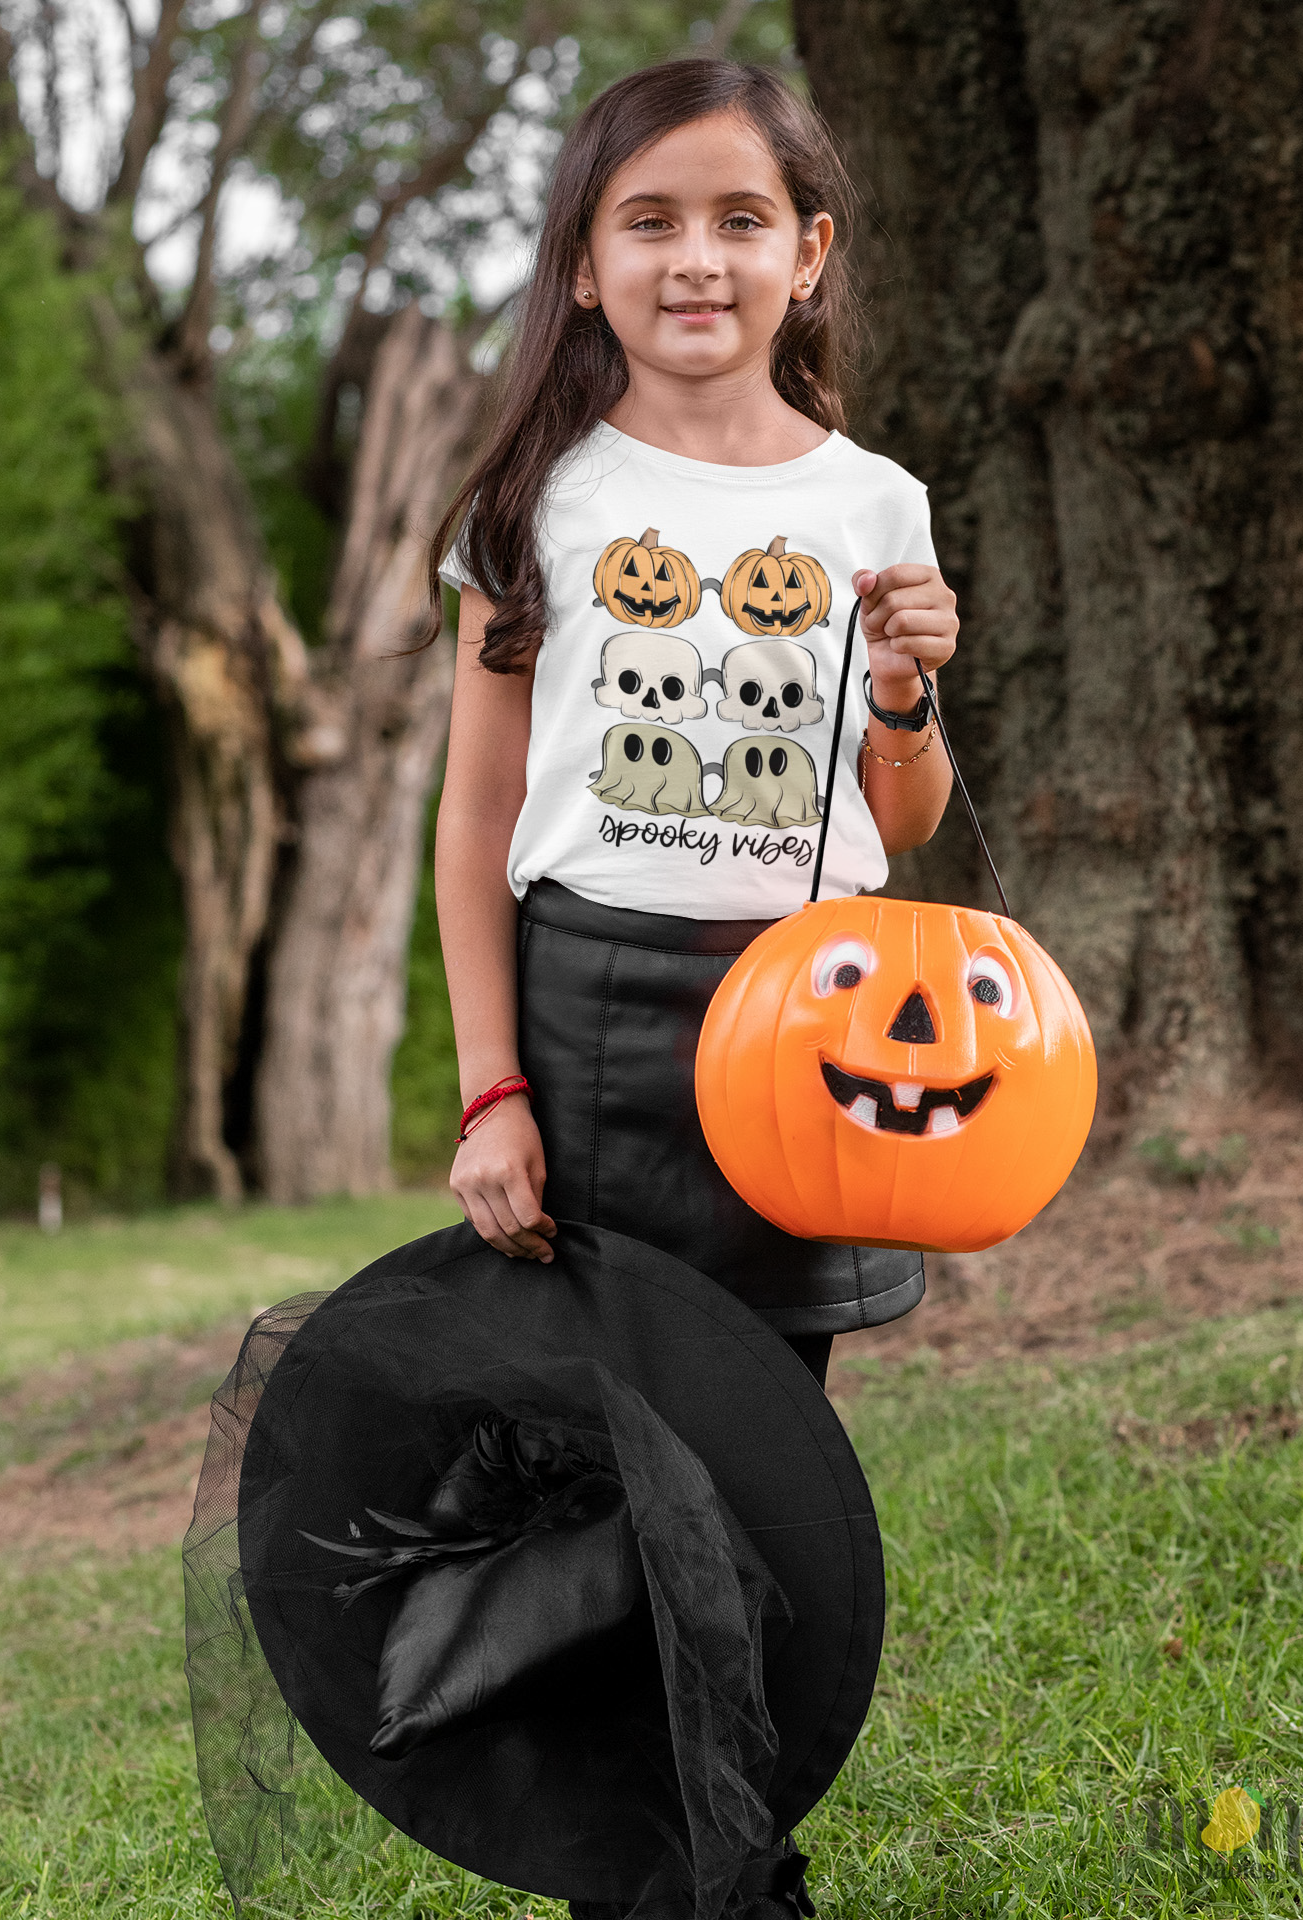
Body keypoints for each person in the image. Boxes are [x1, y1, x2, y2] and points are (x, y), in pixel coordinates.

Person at [425, 57, 958, 1916]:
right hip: (593, 1031)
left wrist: (909, 691)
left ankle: (723, 1849)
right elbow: (478, 824)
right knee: (614, 1493)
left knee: (758, 1483)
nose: (696, 257)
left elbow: (902, 811)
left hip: (813, 1033)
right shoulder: (537, 502)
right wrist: (493, 1091)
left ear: (809, 254)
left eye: (741, 219)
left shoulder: (876, 498)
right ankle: (674, 1878)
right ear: (582, 262)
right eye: (647, 219)